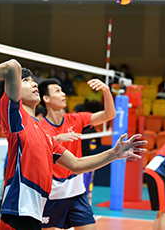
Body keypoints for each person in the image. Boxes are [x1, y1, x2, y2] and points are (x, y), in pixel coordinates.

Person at [0, 60, 146, 230]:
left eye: (32, 80)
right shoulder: (15, 118)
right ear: (11, 89)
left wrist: (114, 153)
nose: (34, 83)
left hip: (34, 214)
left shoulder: (46, 135)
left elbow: (77, 165)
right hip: (17, 213)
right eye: (25, 80)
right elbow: (12, 66)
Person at [38, 77, 115, 230]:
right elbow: (37, 152)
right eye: (57, 91)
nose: (63, 94)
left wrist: (106, 91)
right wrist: (57, 139)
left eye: (62, 91)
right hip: (53, 195)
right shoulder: (40, 127)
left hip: (77, 193)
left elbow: (109, 114)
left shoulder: (76, 119)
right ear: (46, 98)